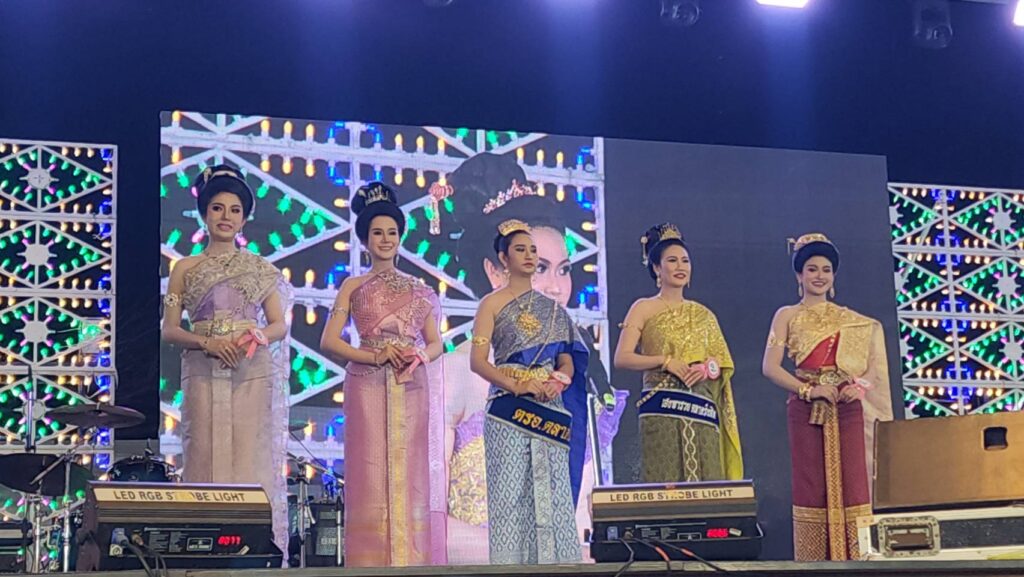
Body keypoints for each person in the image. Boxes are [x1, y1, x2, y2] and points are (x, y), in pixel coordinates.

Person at [436, 152, 618, 562]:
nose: (556, 288)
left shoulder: (580, 376)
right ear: (496, 271)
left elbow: (587, 518)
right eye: (539, 268)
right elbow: (428, 527)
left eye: (564, 269)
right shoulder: (454, 374)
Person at [161, 165, 291, 549]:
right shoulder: (184, 268)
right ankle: (203, 548)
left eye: (235, 210)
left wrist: (255, 335)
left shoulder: (259, 269)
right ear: (204, 213)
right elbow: (170, 330)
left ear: (244, 218)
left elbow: (278, 325)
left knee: (249, 455)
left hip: (250, 368)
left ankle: (250, 548)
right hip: (202, 366)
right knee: (202, 452)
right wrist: (208, 343)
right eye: (217, 208)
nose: (226, 217)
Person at [319, 182, 447, 567]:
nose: (386, 239)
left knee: (412, 470)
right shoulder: (353, 286)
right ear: (365, 239)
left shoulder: (420, 290)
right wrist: (374, 356)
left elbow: (436, 344)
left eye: (392, 232)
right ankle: (370, 564)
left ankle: (411, 562)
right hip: (367, 385)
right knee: (371, 471)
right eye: (378, 232)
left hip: (410, 383)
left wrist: (418, 354)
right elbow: (329, 341)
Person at [761, 233, 893, 561]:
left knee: (854, 482)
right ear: (799, 275)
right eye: (811, 269)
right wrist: (808, 390)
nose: (819, 276)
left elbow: (872, 369)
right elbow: (769, 367)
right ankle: (813, 561)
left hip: (847, 406)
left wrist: (858, 387)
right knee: (811, 486)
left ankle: (859, 557)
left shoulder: (854, 321)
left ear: (833, 276)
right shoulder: (786, 315)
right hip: (806, 407)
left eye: (826, 270)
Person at [469, 219, 588, 564]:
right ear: (503, 258)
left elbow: (567, 360)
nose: (529, 256)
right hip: (509, 410)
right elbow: (478, 362)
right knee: (510, 495)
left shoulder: (553, 310)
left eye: (532, 250)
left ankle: (557, 567)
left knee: (553, 492)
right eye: (520, 250)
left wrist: (559, 380)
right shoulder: (491, 304)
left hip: (550, 405)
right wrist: (518, 385)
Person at [613, 224, 743, 483]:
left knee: (707, 483)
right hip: (662, 410)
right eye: (672, 260)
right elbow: (622, 358)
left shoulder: (704, 314)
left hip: (701, 410)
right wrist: (665, 362)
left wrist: (705, 369)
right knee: (665, 483)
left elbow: (722, 364)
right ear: (656, 268)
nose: (680, 266)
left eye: (685, 260)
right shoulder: (643, 308)